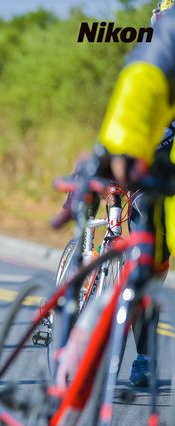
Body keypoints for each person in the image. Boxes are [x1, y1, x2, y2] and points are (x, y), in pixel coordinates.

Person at [95, 2, 175, 386]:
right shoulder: (159, 55)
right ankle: (141, 356)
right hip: (152, 176)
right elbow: (134, 105)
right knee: (147, 271)